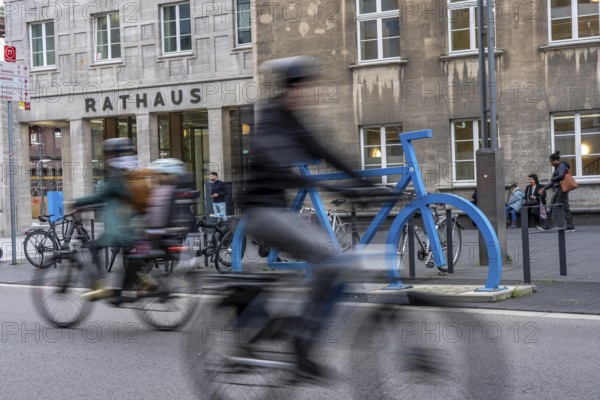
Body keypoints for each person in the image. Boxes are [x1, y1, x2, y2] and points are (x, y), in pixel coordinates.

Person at [237, 56, 378, 377]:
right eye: (306, 86)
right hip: (262, 213)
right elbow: (274, 162)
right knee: (332, 261)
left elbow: (325, 151)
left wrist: (367, 184)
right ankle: (301, 345)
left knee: (337, 266)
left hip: (278, 213)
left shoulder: (291, 120)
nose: (311, 92)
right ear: (292, 89)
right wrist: (322, 183)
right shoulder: (271, 118)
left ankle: (288, 328)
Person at [74, 138, 139, 300]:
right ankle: (136, 285)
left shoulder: (117, 172)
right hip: (130, 221)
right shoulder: (130, 169)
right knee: (129, 256)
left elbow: (102, 195)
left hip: (120, 226)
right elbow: (113, 198)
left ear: (115, 153)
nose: (107, 157)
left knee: (94, 248)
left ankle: (101, 285)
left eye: (109, 153)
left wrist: (76, 203)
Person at [538, 151, 575, 232]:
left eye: (551, 162)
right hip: (561, 189)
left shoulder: (562, 165)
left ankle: (548, 226)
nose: (551, 163)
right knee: (565, 207)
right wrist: (544, 188)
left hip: (561, 189)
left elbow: (560, 175)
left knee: (554, 205)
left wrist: (553, 179)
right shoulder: (557, 167)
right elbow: (553, 182)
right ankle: (570, 226)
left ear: (555, 160)